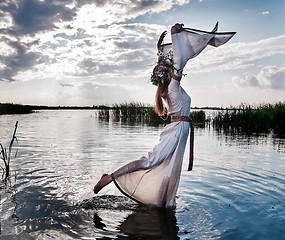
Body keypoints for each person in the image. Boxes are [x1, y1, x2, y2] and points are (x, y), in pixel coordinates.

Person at [93, 22, 235, 207]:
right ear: (169, 75)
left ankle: (161, 200)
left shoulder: (169, 89)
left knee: (169, 168)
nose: (173, 70)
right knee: (150, 161)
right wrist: (174, 34)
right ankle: (109, 177)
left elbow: (167, 64)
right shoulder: (172, 88)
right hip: (177, 130)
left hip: (179, 129)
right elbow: (176, 62)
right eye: (170, 70)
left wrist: (159, 51)